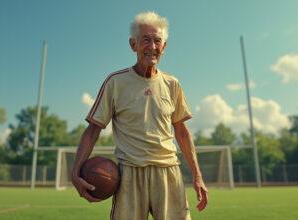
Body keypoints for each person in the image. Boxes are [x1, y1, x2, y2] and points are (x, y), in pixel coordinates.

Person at [72, 11, 208, 220]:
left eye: (157, 41)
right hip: (129, 173)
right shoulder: (115, 82)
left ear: (164, 47)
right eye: (146, 40)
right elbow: (93, 131)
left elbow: (182, 132)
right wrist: (75, 173)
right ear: (133, 44)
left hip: (168, 171)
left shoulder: (172, 84)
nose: (152, 47)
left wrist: (197, 176)